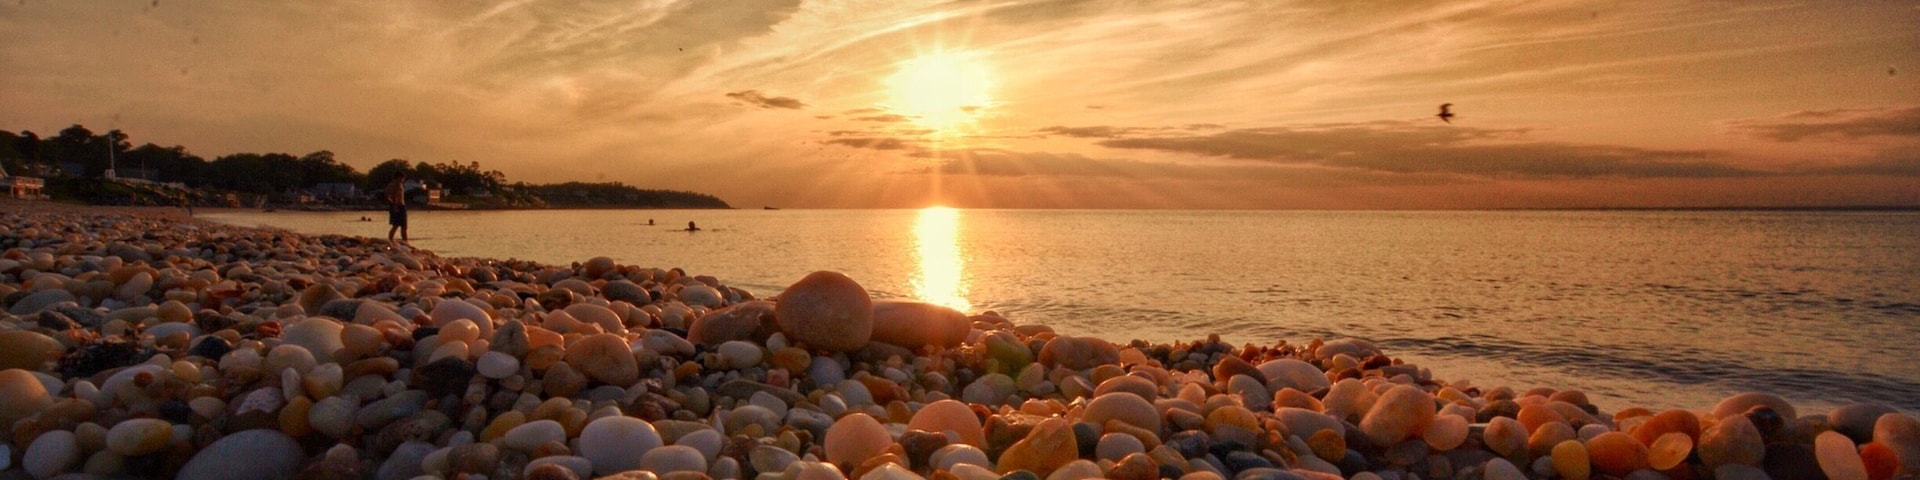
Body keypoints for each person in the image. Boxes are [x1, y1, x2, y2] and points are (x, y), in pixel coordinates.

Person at [385, 172, 410, 245]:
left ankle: (392, 240)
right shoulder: (397, 184)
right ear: (399, 177)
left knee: (396, 225)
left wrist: (391, 203)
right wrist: (395, 205)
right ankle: (404, 241)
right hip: (399, 206)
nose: (403, 180)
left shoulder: (391, 185)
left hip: (396, 205)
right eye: (402, 178)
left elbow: (387, 195)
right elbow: (394, 195)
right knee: (402, 226)